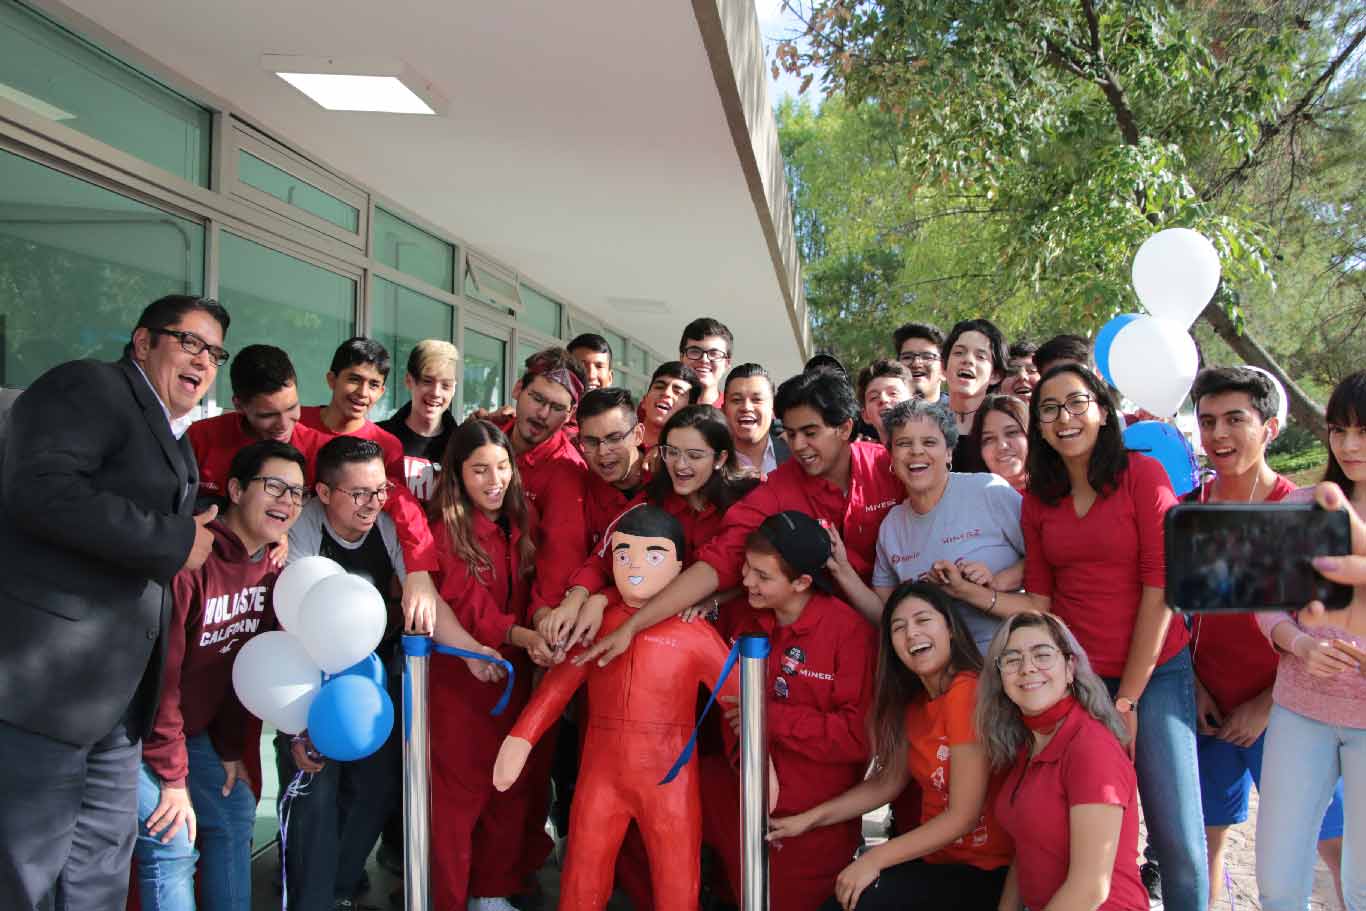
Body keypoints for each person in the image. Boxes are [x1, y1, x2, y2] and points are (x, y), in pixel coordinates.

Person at [0, 294, 228, 908]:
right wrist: (176, 537)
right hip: (48, 689)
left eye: (215, 353)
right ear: (143, 340)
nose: (204, 361)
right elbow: (40, 491)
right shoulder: (89, 387)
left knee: (97, 874)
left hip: (118, 701)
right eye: (190, 342)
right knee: (25, 873)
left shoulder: (173, 438)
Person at [1021, 363, 1208, 911]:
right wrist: (974, 592)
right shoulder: (1039, 497)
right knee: (1080, 835)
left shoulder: (1143, 476)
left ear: (1103, 411)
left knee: (1176, 840)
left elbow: (1163, 588)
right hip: (1076, 683)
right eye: (1049, 408)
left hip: (1155, 675)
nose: (1064, 417)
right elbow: (1042, 602)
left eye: (1076, 403)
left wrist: (1125, 697)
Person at [493, 504, 743, 911]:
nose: (636, 566)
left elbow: (738, 701)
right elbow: (557, 689)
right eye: (624, 554)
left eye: (653, 555)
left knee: (677, 880)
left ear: (679, 565)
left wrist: (760, 760)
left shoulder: (695, 632)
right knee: (583, 876)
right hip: (601, 777)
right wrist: (522, 738)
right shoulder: (598, 625)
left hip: (670, 781)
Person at [574, 367, 904, 667]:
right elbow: (721, 559)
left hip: (905, 633)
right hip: (812, 650)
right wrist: (631, 625)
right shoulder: (774, 491)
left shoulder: (889, 467)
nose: (799, 445)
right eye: (790, 434)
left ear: (845, 427)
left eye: (810, 432)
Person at [1186, 367, 1345, 906]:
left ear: (1270, 427)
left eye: (1236, 419)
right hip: (1206, 709)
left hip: (1290, 711)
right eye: (1207, 421)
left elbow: (1328, 625)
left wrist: (1268, 705)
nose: (1219, 435)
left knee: (1333, 846)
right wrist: (1193, 686)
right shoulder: (1190, 507)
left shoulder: (1300, 509)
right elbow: (1175, 615)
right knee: (1205, 842)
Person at [135, 439, 307, 911]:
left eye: (297, 493)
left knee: (233, 814)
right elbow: (158, 678)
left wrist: (230, 748)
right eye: (274, 486)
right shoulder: (192, 561)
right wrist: (173, 779)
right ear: (234, 488)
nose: (287, 502)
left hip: (191, 735)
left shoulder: (270, 570)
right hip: (135, 735)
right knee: (173, 840)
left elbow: (244, 668)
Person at [769, 582, 1012, 911]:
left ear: (951, 629)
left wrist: (874, 858)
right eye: (899, 627)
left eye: (923, 621)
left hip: (983, 872)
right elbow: (887, 781)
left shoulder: (967, 692)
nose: (912, 634)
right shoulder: (914, 706)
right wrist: (808, 820)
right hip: (938, 864)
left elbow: (962, 817)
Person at [276, 436, 426, 911]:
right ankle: (311, 900)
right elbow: (292, 615)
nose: (372, 503)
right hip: (309, 681)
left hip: (373, 686)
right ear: (322, 493)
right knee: (314, 800)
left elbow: (419, 587)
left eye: (380, 491)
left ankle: (339, 885)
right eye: (358, 493)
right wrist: (299, 725)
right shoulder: (302, 529)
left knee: (375, 790)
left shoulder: (386, 527)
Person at [701, 511, 876, 911]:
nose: (746, 581)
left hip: (806, 821)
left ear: (802, 582)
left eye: (763, 576)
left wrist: (767, 719)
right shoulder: (748, 617)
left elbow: (857, 736)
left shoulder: (848, 633)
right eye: (746, 568)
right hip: (738, 794)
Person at [427, 420, 556, 911]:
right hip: (460, 683)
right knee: (458, 804)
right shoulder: (445, 529)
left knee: (512, 789)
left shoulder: (522, 522)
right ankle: (451, 899)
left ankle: (492, 892)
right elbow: (467, 602)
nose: (494, 480)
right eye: (480, 470)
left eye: (502, 467)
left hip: (518, 676)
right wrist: (521, 636)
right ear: (458, 476)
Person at [1253, 371, 1366, 911]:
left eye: (1364, 431)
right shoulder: (1302, 505)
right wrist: (1300, 645)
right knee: (1278, 881)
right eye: (1338, 430)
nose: (1348, 446)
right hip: (1299, 711)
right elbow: (1266, 601)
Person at [544, 404, 761, 650]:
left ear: (721, 458)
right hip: (666, 638)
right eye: (672, 452)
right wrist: (577, 598)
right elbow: (606, 553)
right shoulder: (654, 499)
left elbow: (716, 568)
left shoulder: (749, 500)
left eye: (695, 455)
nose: (680, 465)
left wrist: (629, 624)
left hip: (737, 638)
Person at [977, 611, 1148, 911]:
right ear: (1000, 676)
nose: (1027, 668)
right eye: (1012, 659)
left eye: (1042, 655)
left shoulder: (1091, 747)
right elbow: (1027, 849)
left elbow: (1090, 889)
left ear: (1070, 668)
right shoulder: (1028, 744)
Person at [832, 399, 1028, 653]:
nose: (916, 452)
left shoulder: (988, 490)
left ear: (948, 452)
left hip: (1014, 658)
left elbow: (1045, 560)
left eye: (929, 442)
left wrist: (998, 581)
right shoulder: (892, 526)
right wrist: (841, 569)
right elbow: (886, 613)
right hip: (942, 675)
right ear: (890, 455)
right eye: (904, 444)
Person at [296, 337, 446, 631]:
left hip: (360, 572)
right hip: (295, 559)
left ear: (383, 390)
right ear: (331, 379)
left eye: (374, 384)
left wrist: (417, 569)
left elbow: (400, 507)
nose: (363, 392)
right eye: (354, 379)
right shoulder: (295, 423)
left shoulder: (387, 445)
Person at [496, 347, 592, 619]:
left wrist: (542, 622)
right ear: (517, 389)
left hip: (517, 629)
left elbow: (559, 565)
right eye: (537, 398)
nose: (543, 413)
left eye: (557, 407)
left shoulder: (568, 472)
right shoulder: (485, 438)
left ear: (571, 413)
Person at [188, 344, 325, 503]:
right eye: (268, 415)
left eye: (291, 408)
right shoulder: (199, 438)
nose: (283, 424)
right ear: (239, 405)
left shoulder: (318, 450)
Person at [377, 339, 458, 502]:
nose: (436, 392)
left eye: (446, 385)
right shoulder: (378, 438)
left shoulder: (462, 446)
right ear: (409, 380)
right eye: (427, 381)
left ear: (454, 388)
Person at [575, 387, 648, 553]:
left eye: (614, 439)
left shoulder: (668, 479)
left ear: (638, 434)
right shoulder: (580, 489)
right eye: (591, 442)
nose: (603, 452)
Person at [941, 318, 1009, 473]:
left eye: (981, 356)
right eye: (959, 353)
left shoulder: (1007, 429)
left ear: (995, 375)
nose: (968, 360)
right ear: (943, 367)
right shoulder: (925, 424)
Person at [723, 363, 789, 477]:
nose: (746, 407)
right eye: (737, 400)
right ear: (724, 409)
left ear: (773, 407)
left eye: (757, 399)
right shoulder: (710, 461)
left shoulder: (794, 455)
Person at [640, 361, 702, 453]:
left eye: (678, 392)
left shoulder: (688, 460)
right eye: (659, 387)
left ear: (689, 411)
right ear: (644, 400)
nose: (666, 393)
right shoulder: (618, 437)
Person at [974, 394, 1030, 491]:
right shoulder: (970, 501)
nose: (1002, 446)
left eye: (1011, 432)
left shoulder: (1062, 492)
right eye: (989, 439)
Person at [679, 317, 733, 407]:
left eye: (714, 353)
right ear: (681, 357)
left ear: (727, 363)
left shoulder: (733, 413)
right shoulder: (663, 408)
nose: (704, 359)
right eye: (695, 351)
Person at [856, 359, 914, 443]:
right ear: (865, 415)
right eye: (874, 397)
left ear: (914, 403)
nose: (883, 399)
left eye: (893, 393)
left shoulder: (937, 451)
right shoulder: (860, 455)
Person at [892, 322, 946, 403]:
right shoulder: (884, 412)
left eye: (927, 357)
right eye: (907, 357)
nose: (916, 363)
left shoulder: (962, 413)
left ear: (944, 370)